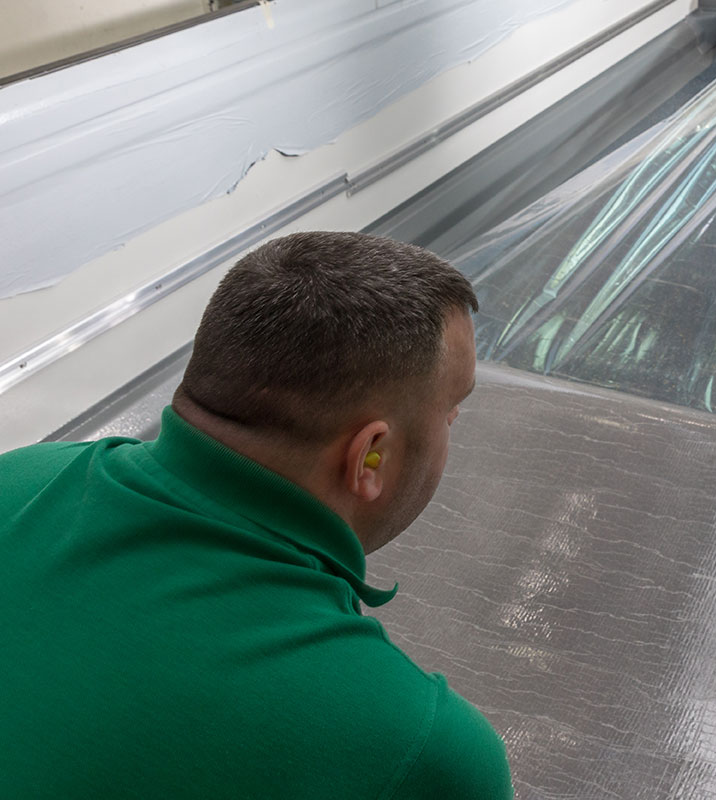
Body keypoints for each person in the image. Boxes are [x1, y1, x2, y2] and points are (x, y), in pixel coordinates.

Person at [0, 232, 513, 798]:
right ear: (371, 455)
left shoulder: (16, 476)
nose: (453, 421)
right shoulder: (417, 748)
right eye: (451, 409)